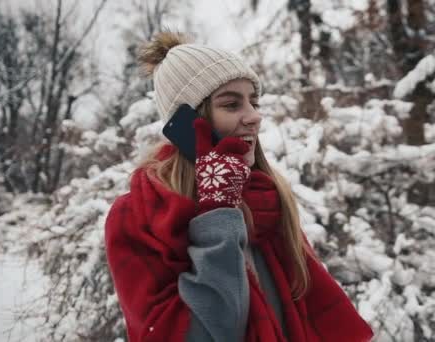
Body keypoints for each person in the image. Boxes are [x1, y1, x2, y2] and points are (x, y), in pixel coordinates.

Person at [104, 30, 374, 342]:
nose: (254, 116)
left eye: (254, 102)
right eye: (232, 105)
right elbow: (203, 331)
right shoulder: (136, 216)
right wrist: (217, 213)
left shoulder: (268, 198)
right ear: (189, 123)